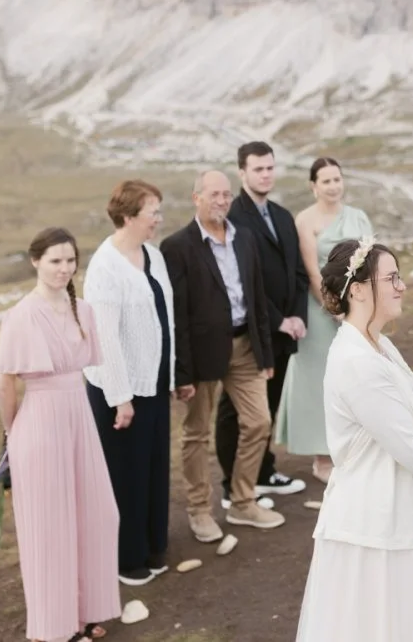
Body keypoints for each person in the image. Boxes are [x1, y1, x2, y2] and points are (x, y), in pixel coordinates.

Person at [294, 239, 413, 641]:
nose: (401, 286)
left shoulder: (380, 344)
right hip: (378, 529)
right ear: (359, 289)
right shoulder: (355, 362)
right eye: (391, 278)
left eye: (399, 277)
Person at [0, 227, 120, 642]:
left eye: (70, 260)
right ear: (35, 262)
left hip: (79, 416)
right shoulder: (20, 316)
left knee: (96, 515)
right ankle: (57, 628)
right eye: (55, 261)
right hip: (40, 423)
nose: (64, 268)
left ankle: (86, 611)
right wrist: (13, 432)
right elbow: (4, 385)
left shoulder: (83, 310)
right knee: (51, 528)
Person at [160, 169, 284, 542]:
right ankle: (200, 510)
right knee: (197, 434)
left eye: (227, 195)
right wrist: (181, 373)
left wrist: (265, 352)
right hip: (200, 356)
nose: (222, 201)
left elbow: (257, 297)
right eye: (214, 194)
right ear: (196, 198)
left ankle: (243, 500)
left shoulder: (243, 238)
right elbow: (176, 315)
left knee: (259, 422)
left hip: (246, 347)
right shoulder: (177, 246)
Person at [82, 179, 177, 586]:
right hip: (118, 389)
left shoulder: (153, 255)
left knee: (155, 466)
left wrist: (172, 376)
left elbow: (164, 320)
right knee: (127, 473)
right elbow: (104, 338)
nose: (158, 218)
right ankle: (127, 558)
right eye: (151, 212)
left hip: (153, 380)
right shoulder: (105, 267)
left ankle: (155, 545)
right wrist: (121, 398)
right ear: (128, 217)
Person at [219, 140, 309, 501]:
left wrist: (299, 316)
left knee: (268, 405)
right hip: (252, 331)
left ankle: (263, 471)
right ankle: (231, 486)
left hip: (286, 331)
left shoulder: (284, 216)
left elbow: (298, 273)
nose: (266, 174)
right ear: (242, 172)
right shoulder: (233, 220)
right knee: (234, 410)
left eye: (270, 167)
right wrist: (278, 320)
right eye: (258, 169)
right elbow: (241, 282)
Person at [280, 156, 375, 485]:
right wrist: (334, 308)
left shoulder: (359, 217)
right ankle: (322, 456)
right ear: (313, 186)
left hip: (359, 307)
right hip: (321, 310)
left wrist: (361, 307)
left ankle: (356, 445)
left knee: (360, 374)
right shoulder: (305, 220)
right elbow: (310, 269)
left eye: (337, 179)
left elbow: (371, 261)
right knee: (320, 379)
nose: (333, 186)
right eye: (326, 181)